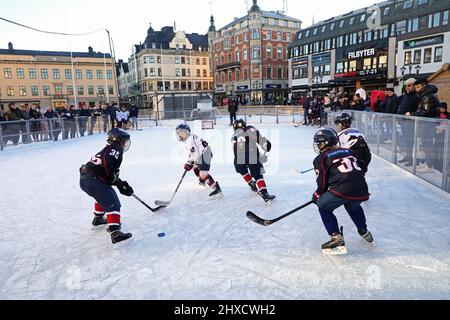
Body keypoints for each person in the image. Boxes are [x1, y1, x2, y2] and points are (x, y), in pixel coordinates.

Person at [312, 128, 373, 255]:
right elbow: (362, 167)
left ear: (327, 143)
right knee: (352, 205)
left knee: (323, 206)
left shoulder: (321, 158)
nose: (318, 146)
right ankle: (364, 230)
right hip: (361, 189)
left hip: (342, 189)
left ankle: (335, 236)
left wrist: (317, 194)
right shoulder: (349, 151)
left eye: (320, 143)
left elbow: (322, 182)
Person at [79, 129, 134, 245]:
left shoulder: (109, 148)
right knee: (112, 201)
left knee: (103, 195)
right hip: (92, 179)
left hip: (86, 178)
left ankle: (98, 219)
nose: (125, 144)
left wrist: (120, 184)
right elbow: (108, 164)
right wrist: (117, 181)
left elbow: (107, 173)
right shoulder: (115, 148)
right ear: (118, 140)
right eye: (124, 141)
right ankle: (115, 233)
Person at [232, 119, 275, 202]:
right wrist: (265, 145)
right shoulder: (249, 128)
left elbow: (236, 151)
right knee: (257, 174)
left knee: (242, 169)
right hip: (250, 154)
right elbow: (258, 138)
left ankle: (251, 184)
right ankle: (264, 193)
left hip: (237, 158)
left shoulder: (233, 136)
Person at [176, 123, 222, 198]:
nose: (182, 136)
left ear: (188, 132)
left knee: (203, 173)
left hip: (205, 154)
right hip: (202, 154)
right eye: (180, 134)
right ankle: (202, 180)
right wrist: (190, 163)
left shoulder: (190, 140)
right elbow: (193, 155)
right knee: (195, 167)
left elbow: (195, 154)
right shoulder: (189, 139)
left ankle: (216, 188)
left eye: (183, 133)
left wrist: (189, 163)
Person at [413, 78, 441, 172]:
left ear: (424, 86)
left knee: (427, 145)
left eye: (418, 87)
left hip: (427, 124)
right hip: (428, 123)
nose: (416, 89)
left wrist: (412, 114)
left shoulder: (427, 96)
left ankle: (430, 166)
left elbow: (425, 111)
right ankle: (428, 164)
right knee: (426, 144)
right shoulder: (429, 95)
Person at [397, 79, 420, 166]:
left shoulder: (417, 96)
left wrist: (411, 116)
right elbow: (402, 106)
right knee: (406, 140)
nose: (407, 87)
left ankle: (411, 159)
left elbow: (417, 109)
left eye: (409, 85)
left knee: (410, 141)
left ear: (414, 86)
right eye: (406, 85)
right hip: (403, 121)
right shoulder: (406, 95)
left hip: (411, 122)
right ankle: (408, 156)